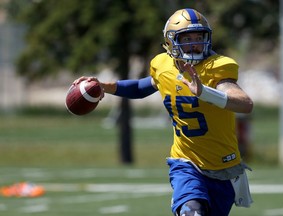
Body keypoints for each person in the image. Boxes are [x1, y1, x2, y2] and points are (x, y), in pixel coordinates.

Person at [74, 8, 253, 216]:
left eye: (199, 37)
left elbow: (244, 104)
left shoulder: (218, 66)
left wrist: (205, 93)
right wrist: (106, 86)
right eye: (187, 38)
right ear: (170, 42)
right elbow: (143, 87)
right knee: (192, 212)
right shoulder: (162, 65)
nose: (195, 43)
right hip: (186, 163)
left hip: (224, 168)